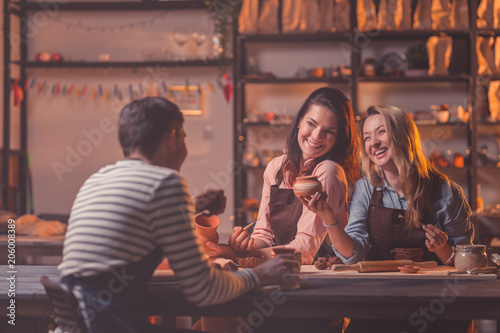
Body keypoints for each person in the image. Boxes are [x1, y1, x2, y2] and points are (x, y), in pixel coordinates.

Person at [58, 97, 298, 333]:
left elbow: (135, 223)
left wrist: (190, 209)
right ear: (171, 138)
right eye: (184, 136)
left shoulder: (97, 180)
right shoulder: (166, 183)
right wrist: (259, 275)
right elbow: (204, 289)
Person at [300, 105, 475, 333]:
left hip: (437, 305)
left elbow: (469, 262)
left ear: (403, 135)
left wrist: (444, 250)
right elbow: (353, 254)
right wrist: (327, 215)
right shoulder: (365, 188)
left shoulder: (445, 191)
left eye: (381, 132)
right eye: (367, 137)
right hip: (380, 303)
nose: (373, 143)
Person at [227, 87, 360, 265]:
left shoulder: (328, 171)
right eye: (311, 124)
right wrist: (247, 247)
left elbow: (304, 250)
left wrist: (239, 257)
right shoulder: (276, 167)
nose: (316, 136)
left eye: (328, 131)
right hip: (280, 268)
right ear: (299, 122)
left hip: (319, 274)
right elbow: (264, 235)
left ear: (338, 138)